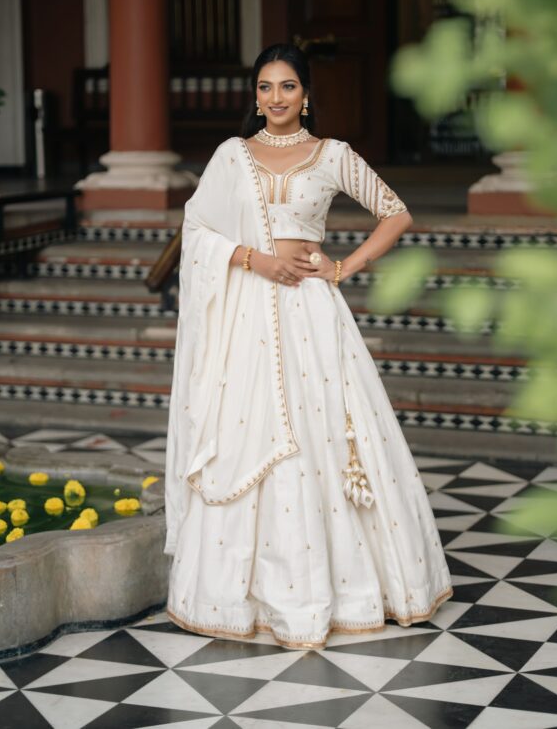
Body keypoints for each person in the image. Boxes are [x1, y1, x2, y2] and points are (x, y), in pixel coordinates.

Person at [164, 42, 453, 650]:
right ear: (255, 96)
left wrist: (344, 267)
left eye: (287, 87)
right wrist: (257, 259)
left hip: (311, 317)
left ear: (307, 94)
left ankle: (342, 591)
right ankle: (248, 598)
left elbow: (396, 213)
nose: (275, 98)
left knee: (320, 436)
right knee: (249, 433)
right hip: (244, 310)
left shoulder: (331, 155)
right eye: (265, 87)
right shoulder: (231, 155)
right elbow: (197, 229)